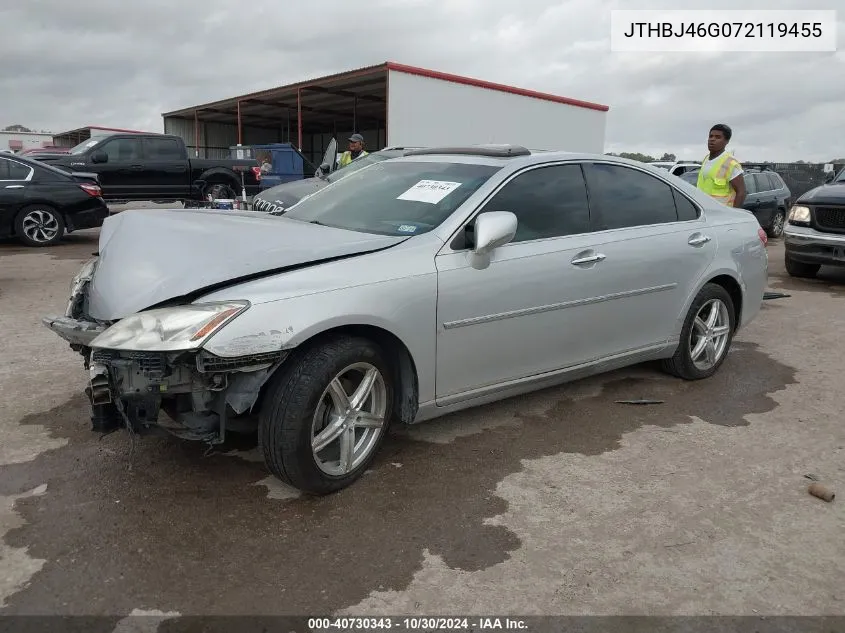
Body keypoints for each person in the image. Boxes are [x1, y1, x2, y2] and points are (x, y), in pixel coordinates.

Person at [696, 123, 746, 208]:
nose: (712, 139)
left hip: (721, 214)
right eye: (711, 136)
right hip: (703, 210)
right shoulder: (706, 159)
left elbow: (741, 192)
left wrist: (733, 215)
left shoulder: (731, 163)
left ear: (726, 141)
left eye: (718, 137)